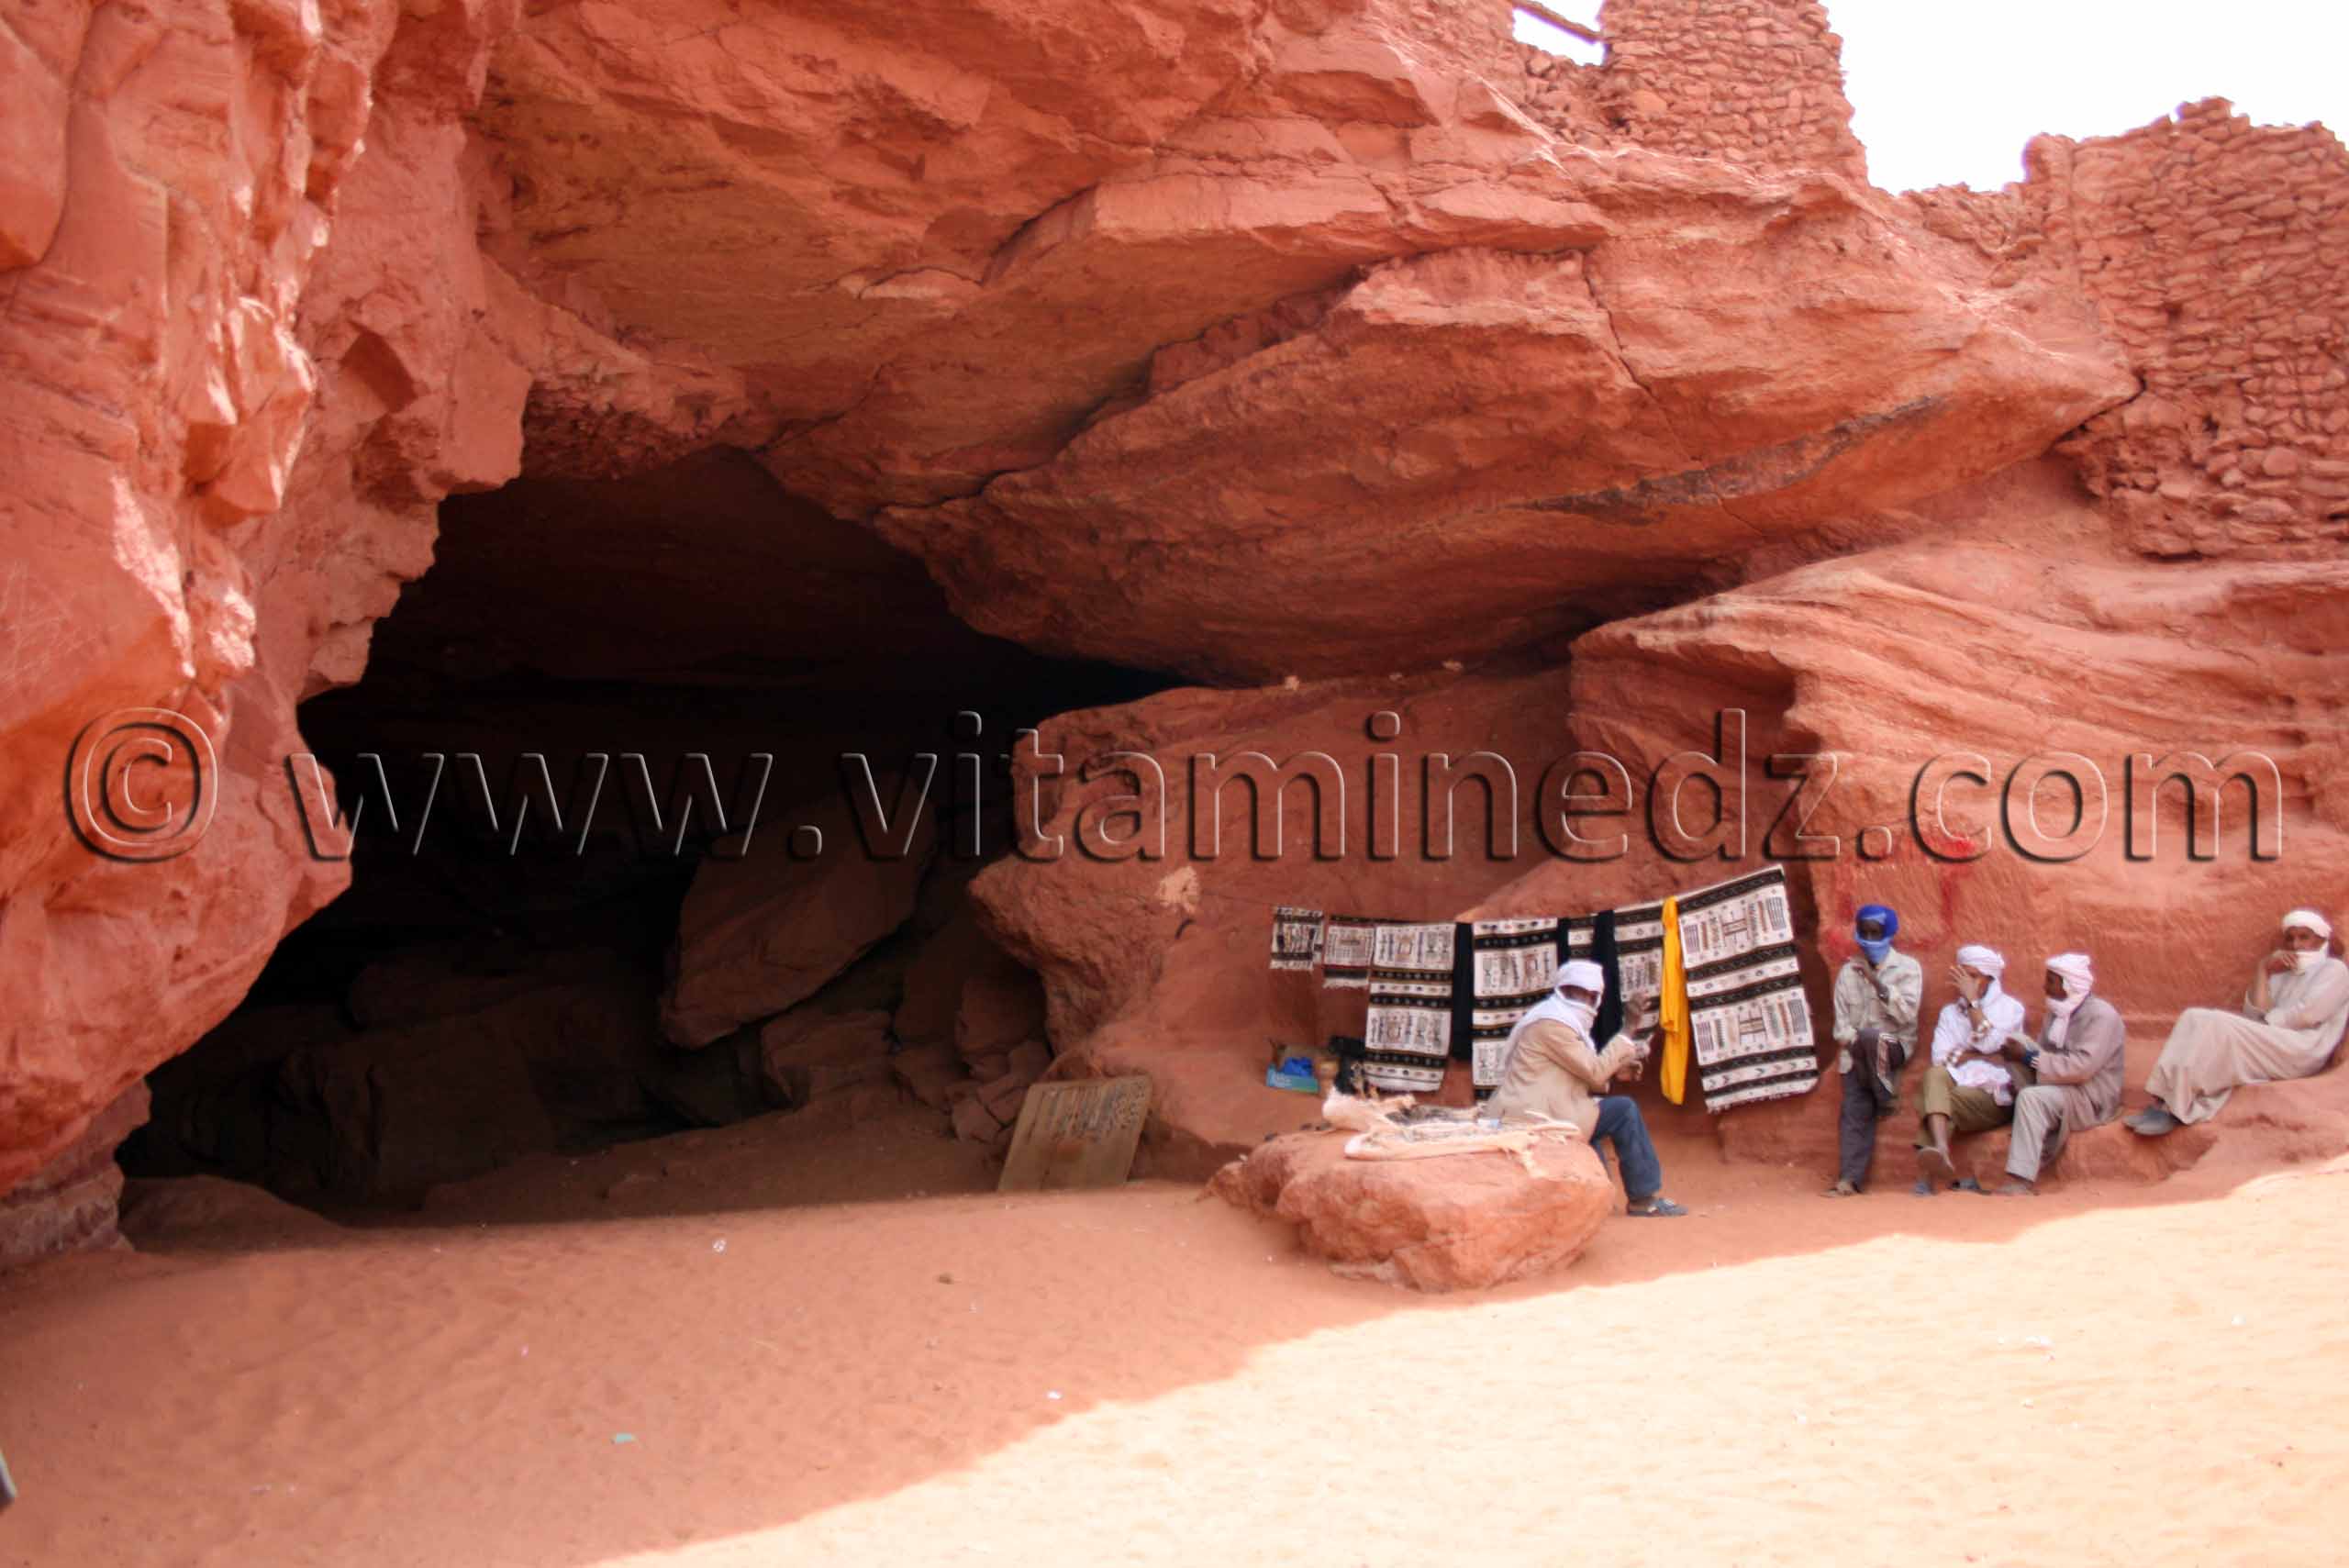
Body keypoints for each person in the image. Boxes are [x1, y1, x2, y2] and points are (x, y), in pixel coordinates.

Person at [1487, 958, 1687, 1216]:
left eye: (1590, 996)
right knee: (1623, 1111)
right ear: (1563, 990)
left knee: (1597, 1115)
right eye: (1578, 993)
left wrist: (1616, 1071)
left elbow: (1579, 1071)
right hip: (1535, 1115)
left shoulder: (1559, 1021)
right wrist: (1628, 1029)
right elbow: (1594, 1072)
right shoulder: (1552, 1025)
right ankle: (1643, 1198)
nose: (1584, 1001)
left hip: (1547, 1108)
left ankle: (1598, 1197)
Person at [2128, 909, 2349, 1135]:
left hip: (2303, 1048)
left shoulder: (2334, 970)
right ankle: (2164, 1098)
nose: (2296, 945)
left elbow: (2307, 1015)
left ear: (2321, 939)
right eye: (2290, 938)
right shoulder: (2283, 977)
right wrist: (2263, 968)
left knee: (2216, 1024)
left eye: (2304, 937)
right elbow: (2256, 1015)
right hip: (2276, 1041)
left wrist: (2265, 1023)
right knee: (2193, 1016)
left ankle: (2176, 1108)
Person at [1973, 953, 2125, 1195]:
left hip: (2089, 1095)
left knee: (2031, 1096)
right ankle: (2031, 1111)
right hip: (2060, 1085)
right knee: (2017, 1042)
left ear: (2068, 985)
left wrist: (2027, 1058)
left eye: (2051, 981)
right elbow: (2044, 1054)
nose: (2044, 986)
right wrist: (2022, 1055)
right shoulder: (2056, 1012)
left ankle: (2021, 1180)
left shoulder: (2101, 1016)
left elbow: (2082, 1068)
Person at [1825, 903, 1924, 1196]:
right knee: (1853, 1108)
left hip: (1894, 1047)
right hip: (1857, 1053)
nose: (1869, 939)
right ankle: (1849, 1180)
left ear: (1889, 934)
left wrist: (1876, 982)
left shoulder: (1908, 969)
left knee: (1873, 1038)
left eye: (1875, 933)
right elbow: (1841, 1027)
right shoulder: (1847, 973)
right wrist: (1857, 1046)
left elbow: (1907, 1015)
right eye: (1864, 933)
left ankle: (1885, 1098)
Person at [1911, 944, 2027, 1195]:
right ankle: (1941, 1148)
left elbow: (1991, 1044)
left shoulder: (2012, 1009)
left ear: (1990, 979)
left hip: (1996, 1098)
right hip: (1955, 1086)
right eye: (1963, 976)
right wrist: (1984, 1056)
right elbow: (1940, 1060)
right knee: (1934, 1076)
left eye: (1973, 976)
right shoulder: (1949, 1013)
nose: (1965, 983)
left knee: (1937, 1100)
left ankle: (1927, 1175)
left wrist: (1974, 1004)